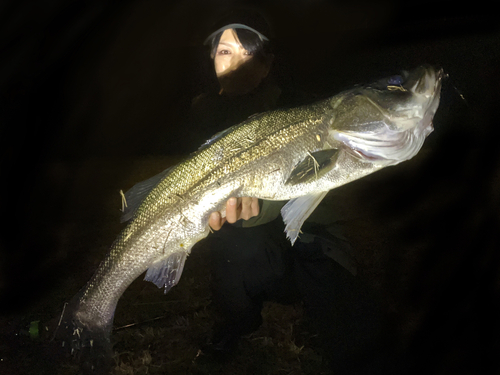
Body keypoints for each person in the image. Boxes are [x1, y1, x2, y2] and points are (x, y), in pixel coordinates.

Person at [190, 11, 384, 373]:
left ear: (267, 66)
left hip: (310, 243)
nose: (237, 63)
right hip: (258, 250)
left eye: (250, 54)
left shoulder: (297, 107)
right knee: (232, 245)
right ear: (212, 61)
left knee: (353, 325)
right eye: (225, 52)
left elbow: (326, 186)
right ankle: (240, 322)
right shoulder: (203, 114)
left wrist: (261, 205)